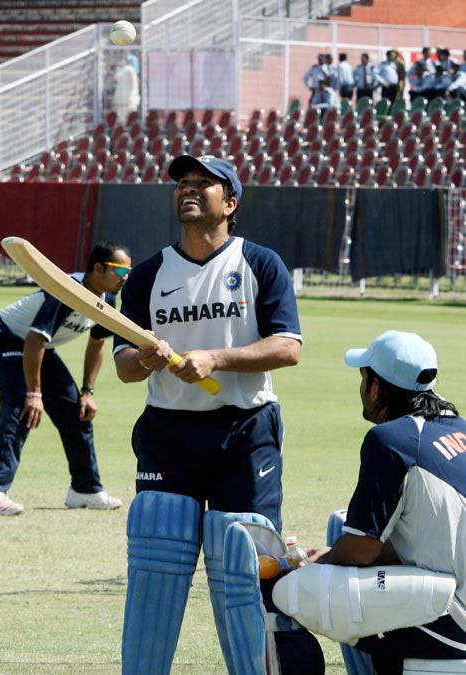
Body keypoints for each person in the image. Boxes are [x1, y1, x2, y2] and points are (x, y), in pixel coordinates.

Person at [115, 154, 302, 674]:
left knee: (243, 566)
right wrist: (146, 358)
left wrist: (215, 358)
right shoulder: (149, 274)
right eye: (182, 183)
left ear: (231, 202)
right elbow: (125, 367)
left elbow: (288, 348)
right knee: (155, 559)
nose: (188, 190)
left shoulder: (259, 264)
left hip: (244, 431)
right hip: (168, 433)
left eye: (204, 184)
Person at [295, 330, 466, 674]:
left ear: (376, 387)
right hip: (454, 597)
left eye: (363, 378)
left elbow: (361, 551)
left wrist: (317, 560)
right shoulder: (460, 429)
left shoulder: (390, 440)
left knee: (289, 592)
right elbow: (427, 541)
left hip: (455, 624)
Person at [0, 240, 132, 516]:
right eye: (120, 272)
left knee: (76, 411)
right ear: (98, 268)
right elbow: (34, 339)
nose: (125, 278)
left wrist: (88, 391)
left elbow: (97, 344)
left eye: (129, 271)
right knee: (21, 406)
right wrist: (34, 394)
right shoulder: (67, 291)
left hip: (38, 348)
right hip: (3, 337)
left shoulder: (107, 298)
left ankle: (84, 489)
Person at [112, 53, 140, 124]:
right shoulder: (124, 69)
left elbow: (133, 83)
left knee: (126, 115)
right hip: (124, 97)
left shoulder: (128, 70)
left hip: (127, 97)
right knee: (123, 115)